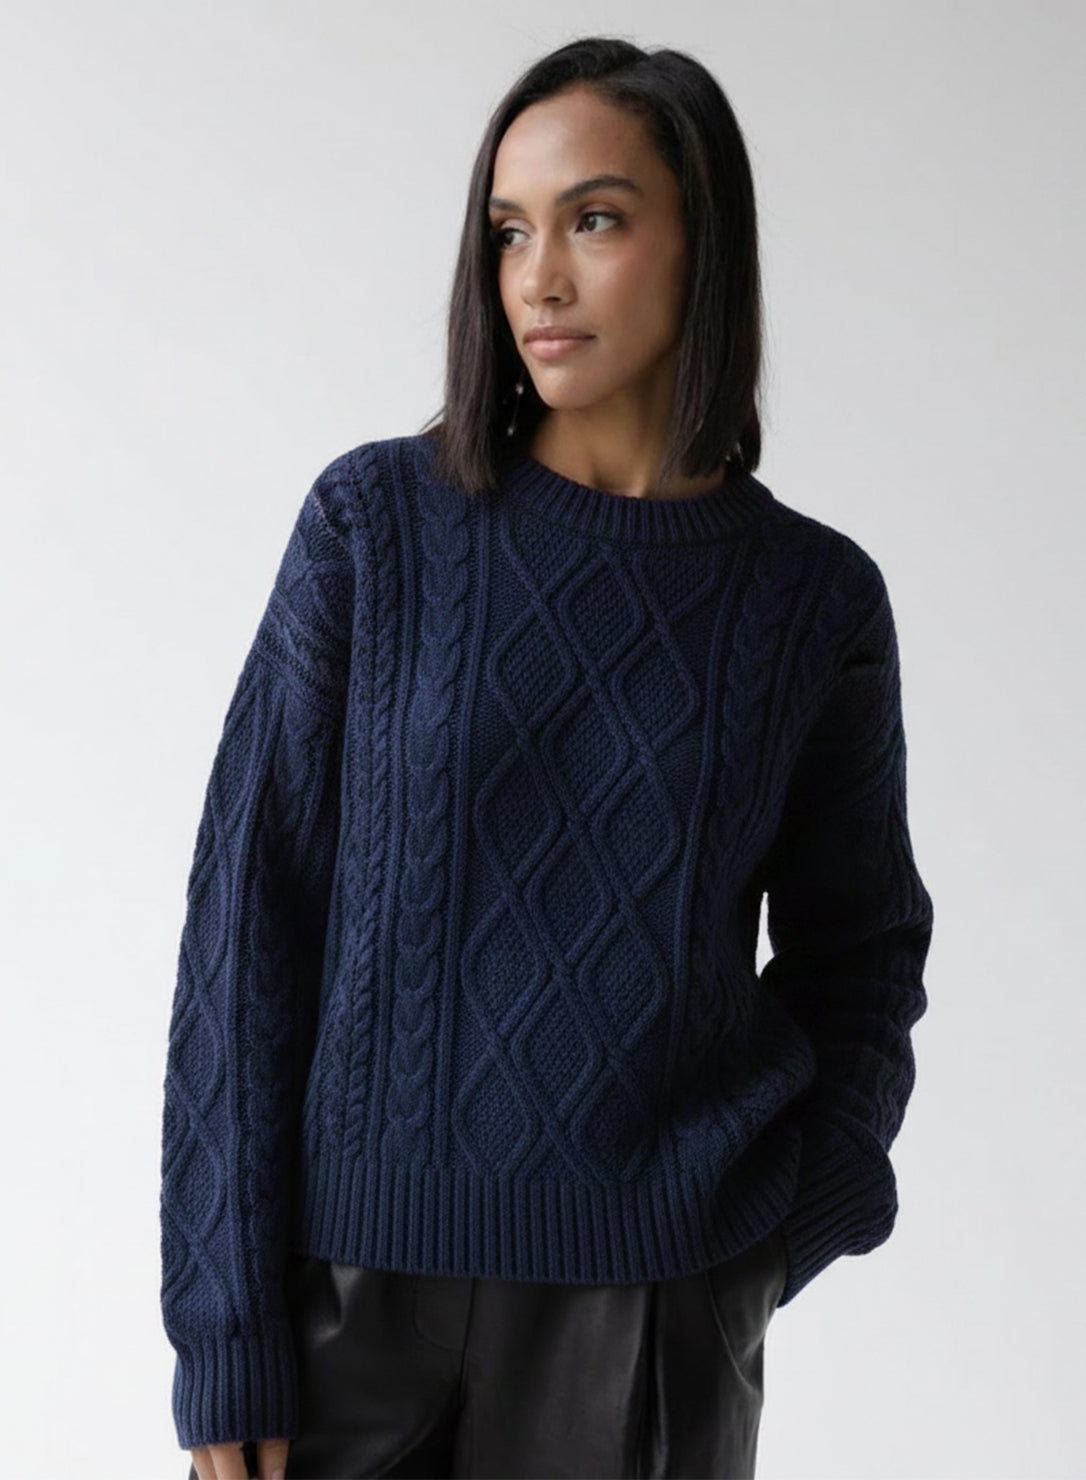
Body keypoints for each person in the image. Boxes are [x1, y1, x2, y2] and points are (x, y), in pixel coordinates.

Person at [159, 34, 935, 1480]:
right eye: (508, 231)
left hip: (653, 1319)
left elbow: (862, 952)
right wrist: (224, 1326)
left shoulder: (810, 601)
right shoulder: (375, 528)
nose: (538, 279)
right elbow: (246, 930)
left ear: (704, 245)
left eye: (595, 219)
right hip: (343, 1315)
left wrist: (776, 1233)